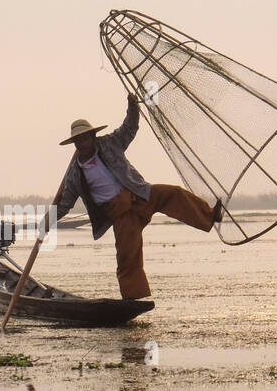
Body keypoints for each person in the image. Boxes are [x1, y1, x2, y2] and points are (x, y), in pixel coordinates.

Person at [52, 93, 221, 300]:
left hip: (139, 194)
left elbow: (129, 128)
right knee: (127, 256)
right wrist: (48, 221)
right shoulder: (74, 174)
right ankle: (133, 298)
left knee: (174, 193)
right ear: (74, 144)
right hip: (121, 213)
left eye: (84, 138)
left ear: (92, 137)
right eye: (77, 141)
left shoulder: (109, 144)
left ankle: (210, 215)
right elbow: (65, 203)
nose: (82, 143)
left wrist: (133, 107)